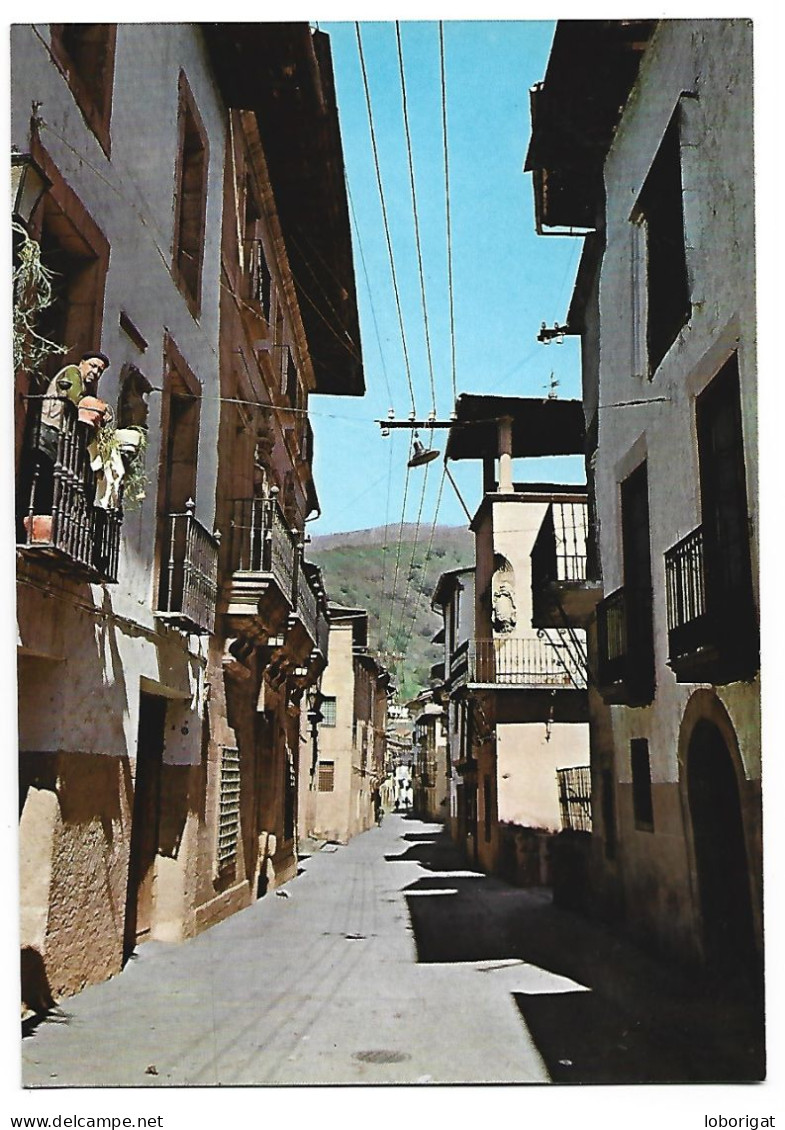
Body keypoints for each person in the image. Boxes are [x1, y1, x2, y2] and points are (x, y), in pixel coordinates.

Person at [26, 351, 111, 517]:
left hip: (58, 437)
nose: (95, 372)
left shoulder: (87, 388)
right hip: (47, 432)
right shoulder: (72, 372)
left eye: (100, 371)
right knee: (43, 481)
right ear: (82, 362)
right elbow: (75, 398)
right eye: (93, 366)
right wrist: (98, 408)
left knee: (53, 486)